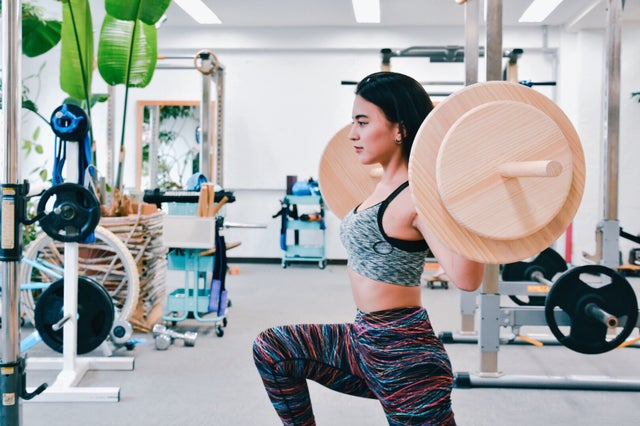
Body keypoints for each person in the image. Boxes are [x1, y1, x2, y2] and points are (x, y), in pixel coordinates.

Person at [253, 71, 485, 425]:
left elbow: (467, 278)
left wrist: (473, 203)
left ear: (400, 129)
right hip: (364, 340)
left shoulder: (419, 198)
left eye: (362, 122)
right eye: (353, 122)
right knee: (273, 349)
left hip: (405, 356)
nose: (352, 134)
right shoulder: (379, 185)